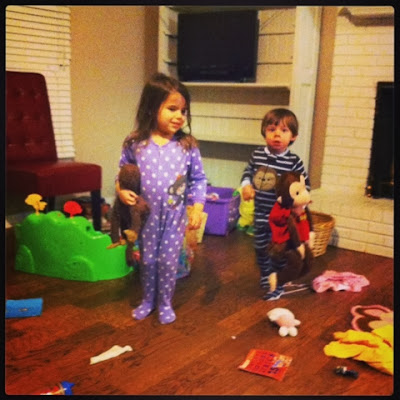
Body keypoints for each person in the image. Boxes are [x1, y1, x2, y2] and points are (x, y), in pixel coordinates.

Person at [116, 73, 207, 324]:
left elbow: (199, 179)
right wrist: (121, 191)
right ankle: (148, 300)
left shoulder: (187, 145)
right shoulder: (135, 143)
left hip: (174, 217)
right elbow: (123, 173)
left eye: (183, 111)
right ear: (151, 107)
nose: (179, 116)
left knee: (167, 261)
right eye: (172, 109)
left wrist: (197, 207)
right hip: (145, 216)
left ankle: (165, 302)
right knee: (147, 260)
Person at [240, 108, 310, 300]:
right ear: (264, 132)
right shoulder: (257, 155)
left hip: (281, 217)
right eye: (272, 129)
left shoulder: (294, 161)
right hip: (260, 213)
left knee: (279, 250)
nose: (277, 134)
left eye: (284, 130)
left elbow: (304, 185)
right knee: (260, 248)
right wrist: (246, 185)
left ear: (293, 136)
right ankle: (266, 274)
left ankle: (277, 281)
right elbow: (248, 172)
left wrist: (300, 206)